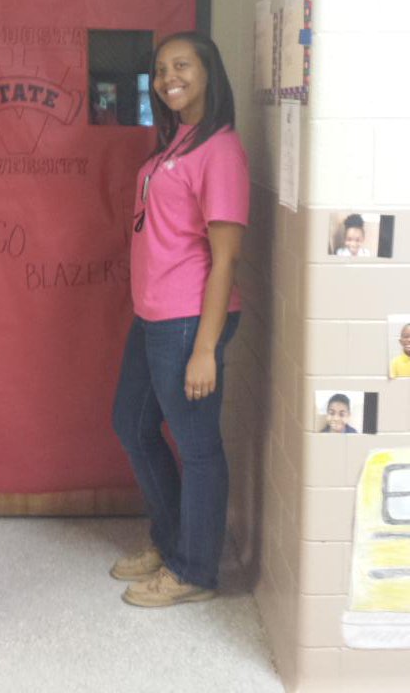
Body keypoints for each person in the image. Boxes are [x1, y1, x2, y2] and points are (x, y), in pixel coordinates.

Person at [111, 31, 250, 608]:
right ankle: (172, 540)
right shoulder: (177, 142)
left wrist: (205, 349)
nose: (170, 77)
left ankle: (194, 570)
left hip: (190, 320)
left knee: (197, 447)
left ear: (209, 72)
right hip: (154, 316)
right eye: (162, 68)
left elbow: (226, 259)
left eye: (183, 65)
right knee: (132, 425)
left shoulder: (221, 150)